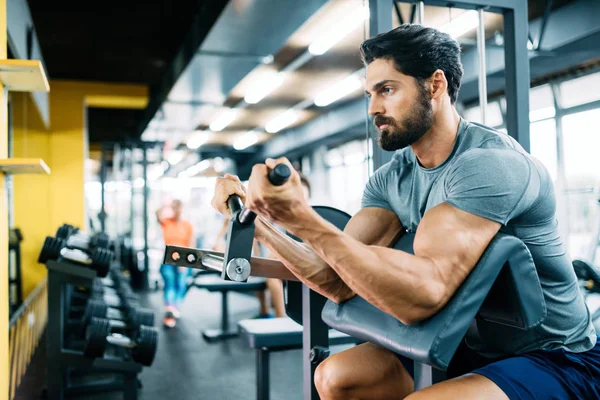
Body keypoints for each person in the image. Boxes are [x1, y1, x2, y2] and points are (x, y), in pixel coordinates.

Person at [211, 24, 600, 399]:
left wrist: (301, 218)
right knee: (334, 377)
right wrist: (258, 223)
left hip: (555, 356)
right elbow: (335, 278)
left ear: (435, 85)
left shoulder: (489, 166)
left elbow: (423, 298)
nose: (373, 108)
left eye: (387, 90)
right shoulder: (391, 180)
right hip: (473, 346)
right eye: (370, 94)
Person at [211, 174, 312, 319]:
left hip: (303, 262)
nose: (297, 200)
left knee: (270, 275)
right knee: (260, 268)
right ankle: (266, 312)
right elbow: (259, 237)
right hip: (282, 258)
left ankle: (280, 318)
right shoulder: (277, 216)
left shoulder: (310, 219)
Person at [156, 199, 194, 328]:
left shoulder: (187, 225)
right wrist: (165, 204)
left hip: (182, 261)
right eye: (175, 208)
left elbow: (190, 245)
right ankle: (170, 310)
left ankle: (174, 308)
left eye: (179, 208)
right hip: (168, 259)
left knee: (181, 285)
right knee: (169, 284)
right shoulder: (167, 222)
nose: (177, 210)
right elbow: (157, 213)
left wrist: (187, 263)